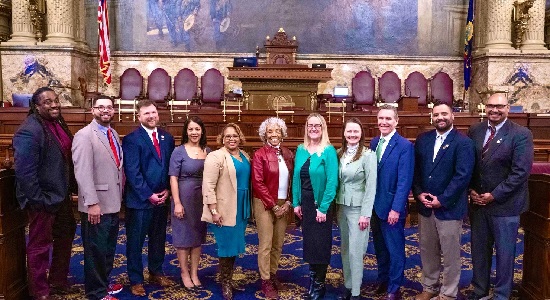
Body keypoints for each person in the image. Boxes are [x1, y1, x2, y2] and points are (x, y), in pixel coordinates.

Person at [467, 93, 534, 300]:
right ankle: (480, 291)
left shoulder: (521, 134)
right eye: (490, 106)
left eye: (499, 106)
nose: (494, 110)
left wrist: (494, 195)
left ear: (508, 108)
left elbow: (520, 172)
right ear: (484, 107)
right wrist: (471, 190)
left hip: (506, 205)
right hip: (478, 204)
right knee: (479, 252)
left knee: (505, 254)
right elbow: (469, 164)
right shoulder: (475, 130)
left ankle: (501, 295)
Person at [13, 87, 77, 300]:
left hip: (61, 195)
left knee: (65, 237)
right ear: (37, 106)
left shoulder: (57, 123)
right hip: (43, 199)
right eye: (48, 102)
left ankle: (57, 281)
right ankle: (39, 291)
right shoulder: (29, 130)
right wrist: (38, 200)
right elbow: (24, 172)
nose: (54, 104)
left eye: (56, 100)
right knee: (39, 246)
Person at [412, 102, 475, 300]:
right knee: (427, 250)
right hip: (426, 207)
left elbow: (462, 176)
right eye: (436, 114)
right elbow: (416, 171)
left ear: (452, 116)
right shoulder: (423, 139)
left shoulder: (463, 142)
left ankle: (448, 293)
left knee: (450, 254)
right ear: (432, 117)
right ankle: (429, 287)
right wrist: (419, 193)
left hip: (449, 208)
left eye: (444, 114)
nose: (440, 117)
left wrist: (443, 199)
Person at [72, 96, 125, 300]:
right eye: (101, 107)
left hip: (112, 203)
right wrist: (91, 202)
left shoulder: (112, 133)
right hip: (96, 205)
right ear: (92, 110)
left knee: (108, 248)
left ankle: (104, 283)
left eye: (109, 107)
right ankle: (96, 293)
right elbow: (83, 172)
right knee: (95, 251)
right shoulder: (84, 136)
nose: (105, 111)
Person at [122, 99, 176, 296]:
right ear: (139, 117)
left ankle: (156, 270)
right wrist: (149, 195)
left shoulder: (167, 138)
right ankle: (136, 279)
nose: (151, 116)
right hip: (140, 201)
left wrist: (168, 191)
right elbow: (132, 172)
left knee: (158, 238)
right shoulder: (131, 139)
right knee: (135, 241)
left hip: (162, 198)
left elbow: (170, 167)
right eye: (147, 114)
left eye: (153, 112)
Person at [368, 104, 414, 300]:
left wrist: (396, 209)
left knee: (395, 249)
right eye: (381, 118)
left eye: (388, 119)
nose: (384, 122)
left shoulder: (405, 146)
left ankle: (394, 288)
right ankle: (383, 280)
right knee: (380, 247)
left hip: (392, 208)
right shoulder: (373, 143)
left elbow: (405, 181)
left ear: (396, 121)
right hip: (375, 207)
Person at [201, 123, 251, 300]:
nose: (232, 139)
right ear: (222, 138)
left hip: (241, 207)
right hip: (224, 208)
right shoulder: (215, 156)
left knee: (234, 245)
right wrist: (213, 210)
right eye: (228, 136)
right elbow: (208, 186)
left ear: (240, 138)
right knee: (226, 246)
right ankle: (226, 282)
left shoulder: (244, 155)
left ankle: (227, 276)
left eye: (235, 135)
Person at [292, 113, 338, 300]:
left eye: (317, 125)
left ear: (323, 128)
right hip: (307, 204)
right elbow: (296, 178)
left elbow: (332, 182)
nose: (313, 128)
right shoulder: (301, 149)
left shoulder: (329, 151)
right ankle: (313, 280)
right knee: (310, 244)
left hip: (321, 204)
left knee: (321, 245)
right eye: (310, 125)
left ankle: (319, 283)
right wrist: (296, 203)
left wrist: (324, 208)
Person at [252, 117, 294, 299]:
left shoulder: (288, 154)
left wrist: (288, 202)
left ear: (283, 133)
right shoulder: (259, 154)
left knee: (278, 242)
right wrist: (272, 205)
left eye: (277, 130)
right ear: (264, 134)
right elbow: (258, 182)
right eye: (270, 131)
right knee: (266, 243)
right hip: (263, 202)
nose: (274, 134)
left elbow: (294, 180)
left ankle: (273, 273)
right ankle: (265, 279)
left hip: (283, 203)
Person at [336, 118, 377, 300]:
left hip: (358, 210)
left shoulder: (368, 155)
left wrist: (365, 214)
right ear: (344, 134)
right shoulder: (338, 154)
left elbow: (371, 187)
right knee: (345, 249)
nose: (352, 135)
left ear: (361, 134)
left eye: (356, 132)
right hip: (341, 207)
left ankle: (356, 292)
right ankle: (348, 285)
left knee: (356, 251)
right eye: (349, 131)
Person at [169, 116, 210, 290]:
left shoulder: (207, 150)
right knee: (183, 237)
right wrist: (177, 202)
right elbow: (173, 178)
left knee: (197, 237)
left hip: (201, 200)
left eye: (197, 129)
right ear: (186, 131)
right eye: (191, 129)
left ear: (202, 131)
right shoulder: (179, 151)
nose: (194, 132)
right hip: (183, 197)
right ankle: (184, 273)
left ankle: (194, 272)